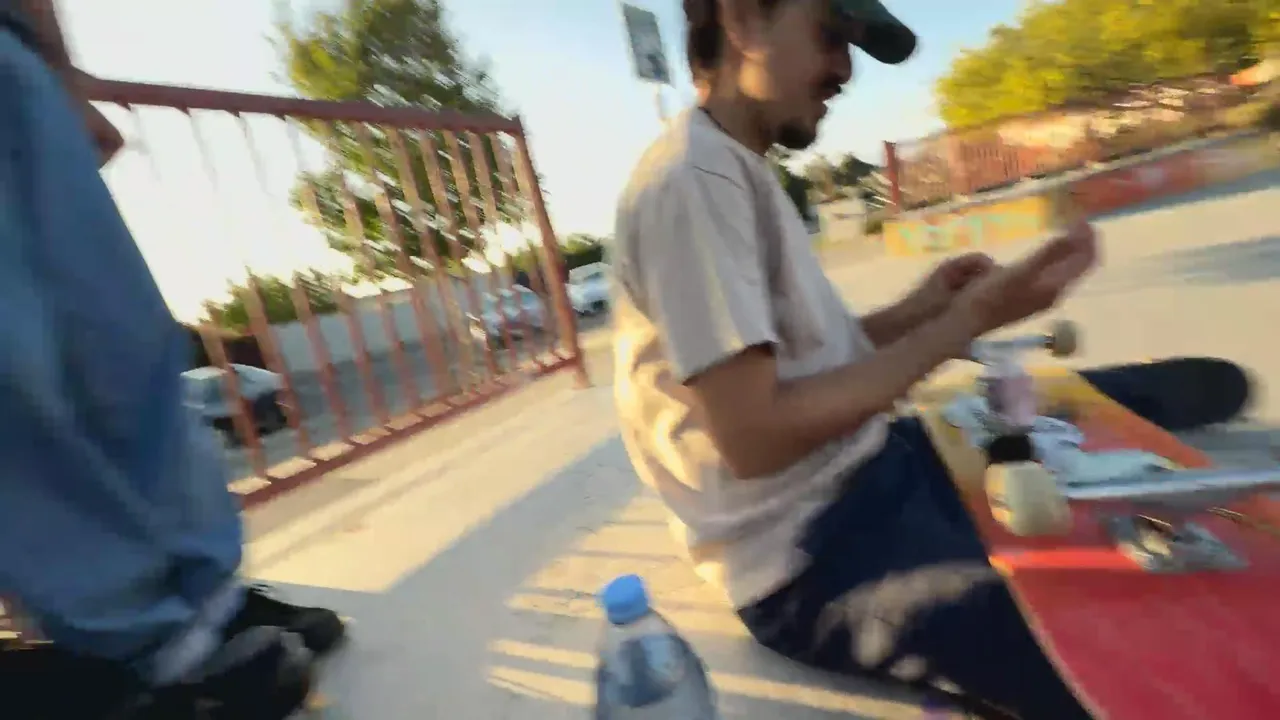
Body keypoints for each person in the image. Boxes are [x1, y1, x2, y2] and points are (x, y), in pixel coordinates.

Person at [610, 1, 1251, 718]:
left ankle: (1144, 401)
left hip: (877, 462)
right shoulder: (693, 184)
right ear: (744, 20)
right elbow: (754, 435)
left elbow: (795, 364)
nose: (844, 71)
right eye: (830, 35)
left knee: (1051, 410)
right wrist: (968, 321)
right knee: (1127, 659)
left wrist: (922, 310)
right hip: (818, 554)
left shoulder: (733, 167)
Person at [0, 2, 346, 717]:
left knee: (124, 345)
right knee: (17, 377)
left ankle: (207, 604)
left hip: (14, 56)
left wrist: (59, 73)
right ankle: (139, 646)